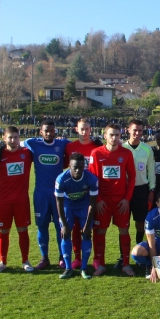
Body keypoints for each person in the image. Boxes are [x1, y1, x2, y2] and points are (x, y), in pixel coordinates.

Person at [22, 120, 71, 270]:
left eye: (52, 130)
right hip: (40, 193)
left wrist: (96, 142)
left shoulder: (62, 144)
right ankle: (44, 258)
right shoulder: (32, 143)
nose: (49, 133)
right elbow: (16, 143)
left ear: (55, 131)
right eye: (46, 131)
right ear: (41, 132)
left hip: (58, 193)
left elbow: (78, 145)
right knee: (41, 226)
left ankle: (62, 257)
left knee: (59, 226)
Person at [89, 124, 136, 277]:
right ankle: (100, 264)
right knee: (100, 231)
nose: (114, 138)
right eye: (111, 135)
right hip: (103, 202)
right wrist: (98, 199)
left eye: (117, 135)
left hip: (121, 201)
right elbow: (92, 179)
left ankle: (126, 264)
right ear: (105, 136)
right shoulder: (96, 153)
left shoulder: (127, 154)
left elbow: (132, 177)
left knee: (124, 230)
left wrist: (127, 199)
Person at [0, 126, 34, 273]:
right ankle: (2, 261)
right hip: (3, 200)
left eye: (15, 137)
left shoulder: (27, 153)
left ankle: (25, 261)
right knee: (3, 231)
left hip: (21, 200)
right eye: (10, 137)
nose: (13, 140)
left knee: (23, 230)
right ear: (4, 138)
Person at [64, 118, 102, 270]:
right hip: (74, 194)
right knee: (75, 228)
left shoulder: (97, 146)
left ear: (90, 130)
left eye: (87, 129)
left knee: (93, 227)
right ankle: (77, 258)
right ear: (76, 129)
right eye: (82, 129)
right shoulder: (70, 147)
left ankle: (96, 258)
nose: (84, 132)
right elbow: (65, 167)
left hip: (91, 193)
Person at [55, 153, 98, 279]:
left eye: (81, 167)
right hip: (68, 207)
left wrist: (87, 225)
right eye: (75, 168)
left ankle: (84, 268)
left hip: (84, 207)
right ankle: (68, 268)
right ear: (69, 166)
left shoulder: (91, 179)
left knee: (86, 235)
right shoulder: (62, 179)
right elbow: (59, 202)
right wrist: (63, 225)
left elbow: (92, 203)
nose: (78, 170)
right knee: (65, 234)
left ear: (84, 166)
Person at [122, 119, 157, 267]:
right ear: (128, 130)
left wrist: (152, 189)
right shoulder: (122, 148)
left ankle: (138, 250)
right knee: (123, 224)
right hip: (124, 190)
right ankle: (122, 257)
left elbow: (151, 171)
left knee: (140, 223)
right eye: (135, 130)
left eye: (140, 131)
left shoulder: (147, 149)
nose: (137, 133)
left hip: (141, 189)